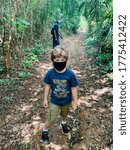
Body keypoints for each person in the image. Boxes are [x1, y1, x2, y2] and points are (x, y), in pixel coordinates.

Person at [41, 46, 78, 144]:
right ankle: (44, 130)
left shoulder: (70, 74)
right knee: (51, 118)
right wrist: (45, 99)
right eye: (57, 60)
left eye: (62, 59)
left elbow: (74, 88)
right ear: (53, 60)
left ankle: (63, 123)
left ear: (66, 60)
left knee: (65, 115)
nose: (60, 62)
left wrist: (75, 102)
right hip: (54, 101)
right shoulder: (50, 73)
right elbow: (47, 86)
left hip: (67, 101)